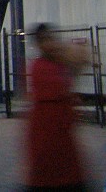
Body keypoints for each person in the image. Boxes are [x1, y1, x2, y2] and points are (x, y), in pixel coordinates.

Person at [23, 23, 90, 190]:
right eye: (44, 40)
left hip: (61, 135)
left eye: (51, 39)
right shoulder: (39, 66)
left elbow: (78, 62)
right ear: (38, 44)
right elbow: (60, 85)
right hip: (47, 134)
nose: (50, 44)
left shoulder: (57, 64)